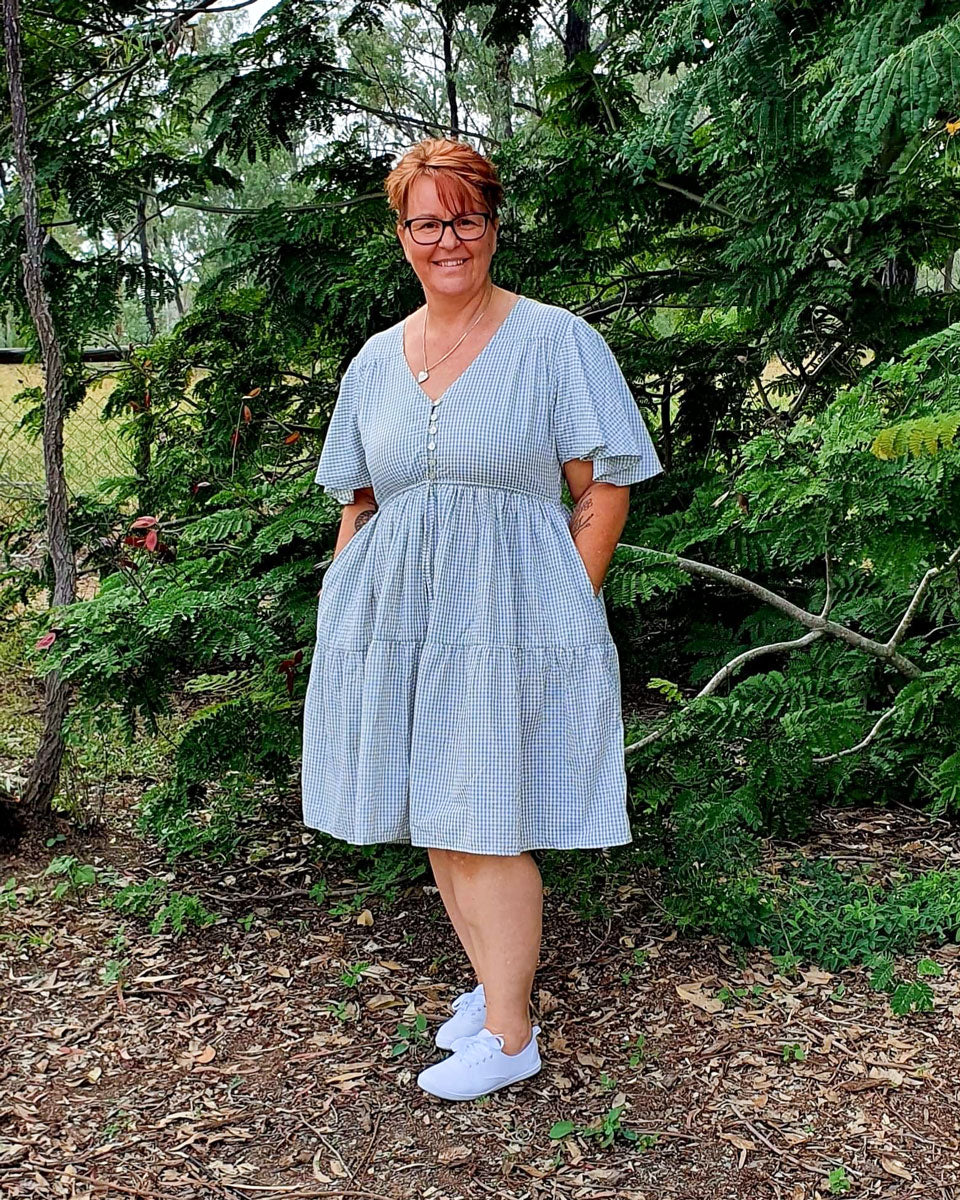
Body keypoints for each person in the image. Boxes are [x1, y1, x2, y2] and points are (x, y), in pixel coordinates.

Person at [301, 137, 664, 1102]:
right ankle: (495, 988)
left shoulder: (555, 341)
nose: (447, 238)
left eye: (465, 217)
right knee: (438, 811)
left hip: (507, 619)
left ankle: (511, 1036)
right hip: (396, 621)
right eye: (427, 221)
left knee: (487, 821)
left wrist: (564, 600)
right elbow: (361, 501)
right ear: (403, 236)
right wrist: (346, 616)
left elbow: (604, 488)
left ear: (494, 225)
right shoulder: (377, 360)